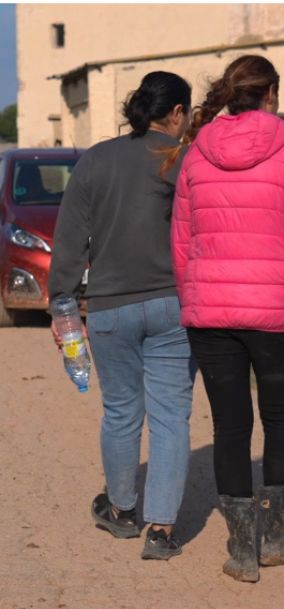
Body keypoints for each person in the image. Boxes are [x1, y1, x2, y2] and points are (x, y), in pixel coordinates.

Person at [167, 55, 284, 582]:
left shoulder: (196, 155)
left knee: (229, 426)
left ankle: (243, 550)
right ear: (272, 95)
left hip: (210, 314)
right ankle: (281, 538)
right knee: (280, 419)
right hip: (276, 315)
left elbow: (182, 244)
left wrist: (195, 298)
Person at [47, 72, 195, 560]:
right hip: (174, 305)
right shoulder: (181, 159)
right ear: (176, 113)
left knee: (121, 412)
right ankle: (160, 531)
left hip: (110, 308)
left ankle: (122, 510)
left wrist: (63, 304)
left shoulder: (96, 160)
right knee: (171, 417)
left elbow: (70, 240)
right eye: (187, 114)